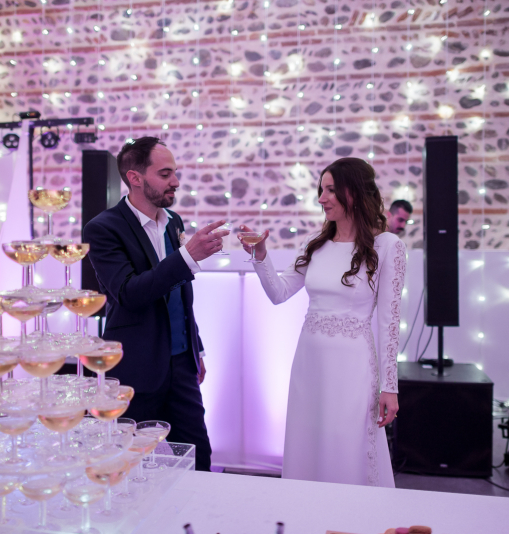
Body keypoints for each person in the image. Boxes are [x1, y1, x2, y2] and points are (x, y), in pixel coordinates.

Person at [240, 157, 405, 487]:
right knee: (308, 443)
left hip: (354, 367)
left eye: (330, 190)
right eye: (321, 190)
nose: (321, 198)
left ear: (354, 191)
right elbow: (279, 291)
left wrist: (390, 386)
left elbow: (389, 322)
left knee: (347, 448)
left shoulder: (387, 245)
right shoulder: (315, 244)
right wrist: (261, 255)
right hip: (309, 363)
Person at [83, 136, 228, 472]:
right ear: (136, 178)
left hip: (183, 363)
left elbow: (178, 297)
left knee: (198, 455)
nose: (175, 181)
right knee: (137, 460)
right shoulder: (104, 228)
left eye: (175, 172)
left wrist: (197, 349)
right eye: (165, 174)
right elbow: (129, 293)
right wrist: (188, 255)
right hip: (138, 364)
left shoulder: (173, 221)